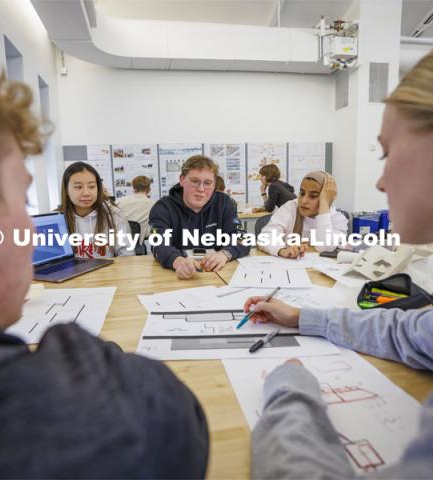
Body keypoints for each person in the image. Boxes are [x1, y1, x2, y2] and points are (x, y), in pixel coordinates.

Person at [0, 46, 208, 478]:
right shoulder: (87, 410)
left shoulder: (118, 217)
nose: (32, 232)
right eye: (19, 197)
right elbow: (172, 418)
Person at [248, 51, 433, 479]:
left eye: (388, 154)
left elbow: (331, 246)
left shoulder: (334, 214)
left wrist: (290, 394)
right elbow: (413, 332)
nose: (380, 181)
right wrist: (303, 316)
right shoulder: (289, 207)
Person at [149, 155, 250, 279]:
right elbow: (158, 244)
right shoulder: (162, 208)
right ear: (182, 180)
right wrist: (179, 262)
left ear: (214, 184)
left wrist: (225, 254)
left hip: (218, 274)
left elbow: (243, 239)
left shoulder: (224, 203)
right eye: (195, 181)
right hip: (176, 275)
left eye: (207, 183)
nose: (201, 189)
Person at [259, 171, 347, 258]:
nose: (304, 201)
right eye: (302, 193)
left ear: (327, 198)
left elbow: (325, 248)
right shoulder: (291, 208)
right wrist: (282, 250)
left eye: (313, 196)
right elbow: (265, 237)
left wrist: (324, 206)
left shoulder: (338, 219)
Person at [58, 161, 133, 258]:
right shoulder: (58, 218)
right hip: (72, 273)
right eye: (78, 187)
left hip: (108, 272)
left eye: (91, 186)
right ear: (66, 190)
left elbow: (126, 255)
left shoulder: (113, 214)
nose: (86, 193)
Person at [116, 175, 155, 243]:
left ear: (134, 189)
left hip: (119, 244)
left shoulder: (119, 202)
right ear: (149, 190)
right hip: (138, 247)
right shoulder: (153, 205)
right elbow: (153, 231)